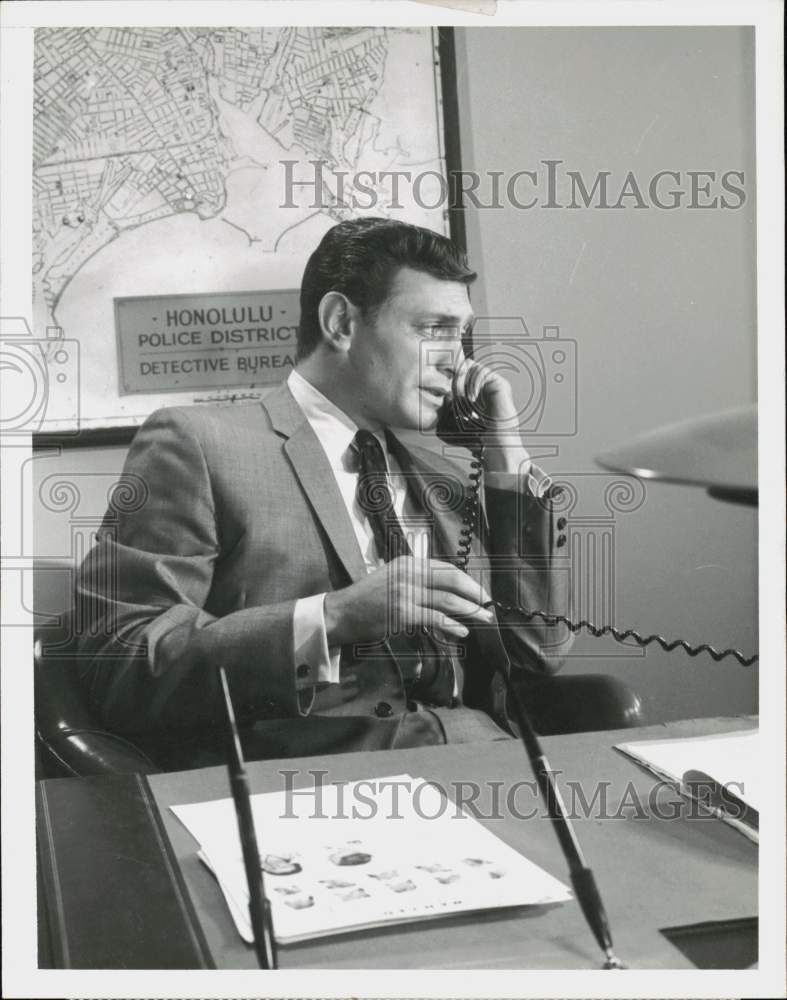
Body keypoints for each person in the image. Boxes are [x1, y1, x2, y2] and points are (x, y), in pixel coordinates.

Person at [75, 218, 572, 768]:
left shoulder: (444, 482)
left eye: (462, 334)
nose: (458, 361)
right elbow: (121, 667)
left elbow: (536, 656)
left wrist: (505, 457)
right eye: (434, 329)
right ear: (340, 322)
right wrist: (332, 617)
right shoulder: (197, 444)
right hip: (313, 795)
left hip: (490, 770)